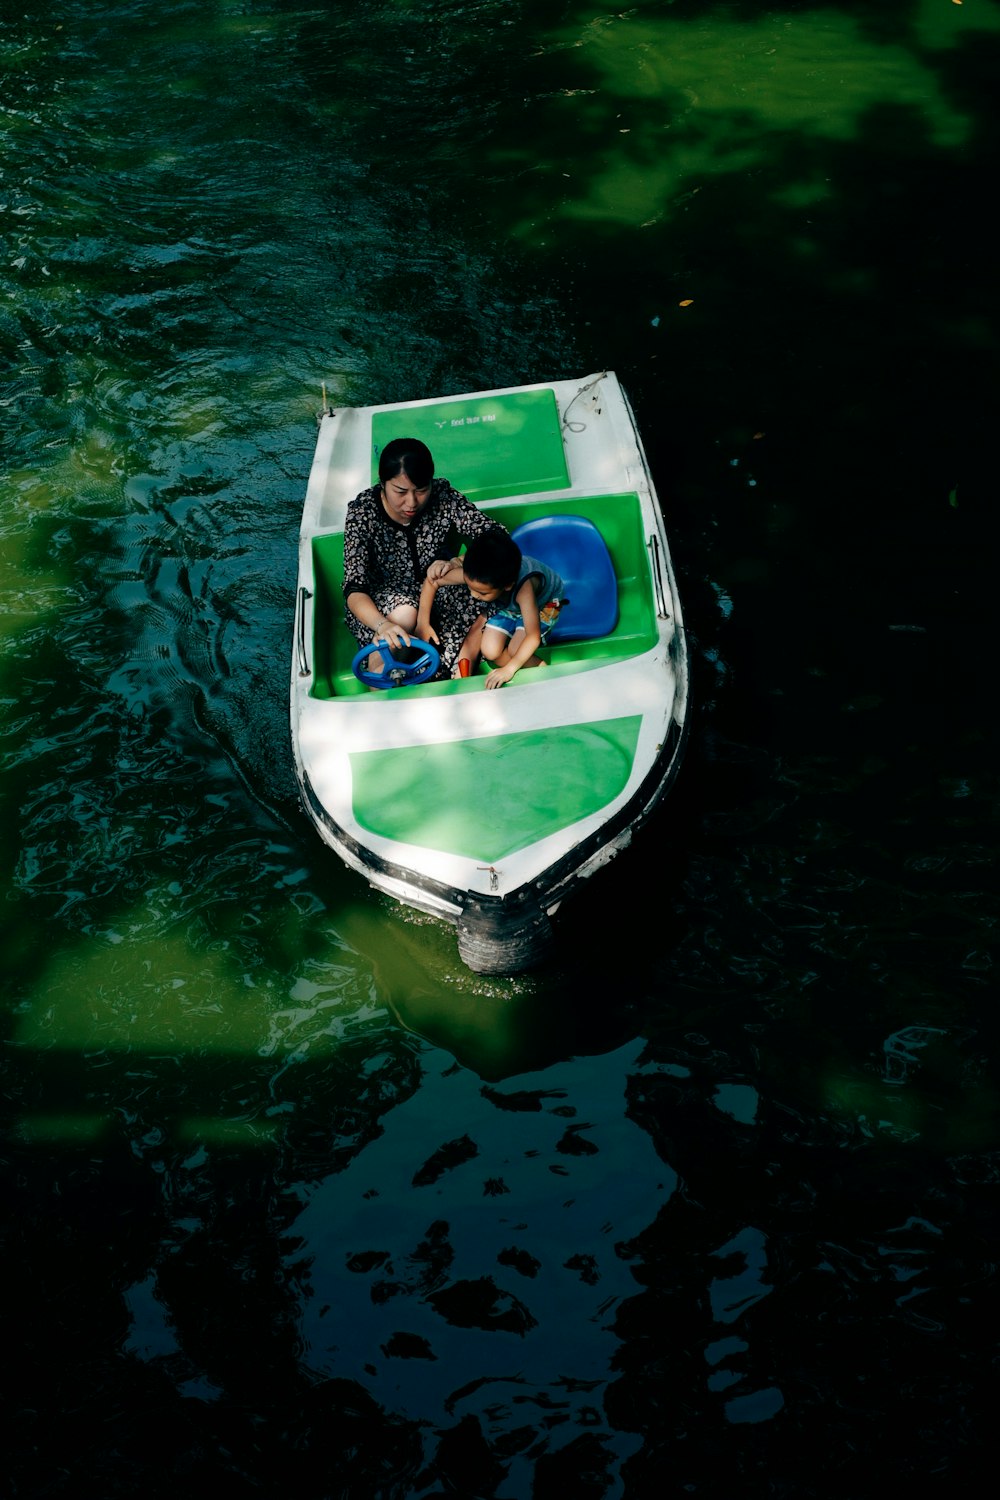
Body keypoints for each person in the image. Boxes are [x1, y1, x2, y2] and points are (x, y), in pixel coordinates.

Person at [342, 437, 506, 678]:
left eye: (421, 490)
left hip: (441, 587)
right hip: (384, 599)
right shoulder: (363, 512)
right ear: (383, 483)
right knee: (404, 615)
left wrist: (458, 562)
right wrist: (382, 624)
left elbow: (496, 536)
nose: (411, 502)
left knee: (492, 593)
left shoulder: (443, 496)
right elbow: (353, 587)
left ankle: (462, 669)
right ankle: (381, 675)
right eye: (400, 491)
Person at [417, 530, 565, 690]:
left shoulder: (524, 589)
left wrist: (509, 670)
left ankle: (542, 668)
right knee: (489, 650)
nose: (474, 596)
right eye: (470, 587)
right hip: (507, 603)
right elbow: (433, 581)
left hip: (543, 604)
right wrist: (423, 623)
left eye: (481, 593)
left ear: (507, 586)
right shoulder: (478, 575)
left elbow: (533, 636)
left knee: (516, 648)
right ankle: (518, 661)